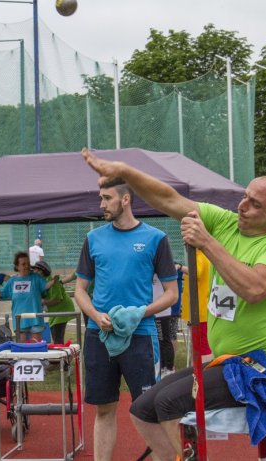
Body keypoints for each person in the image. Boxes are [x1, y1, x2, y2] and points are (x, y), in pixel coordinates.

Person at [81, 148, 266, 460]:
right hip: (224, 361)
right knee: (141, 409)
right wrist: (124, 171)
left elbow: (255, 288)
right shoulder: (226, 222)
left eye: (255, 204)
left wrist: (207, 243)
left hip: (262, 365)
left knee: (168, 403)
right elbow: (169, 199)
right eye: (245, 196)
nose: (242, 206)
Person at [73, 171, 179, 461]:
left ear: (126, 199)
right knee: (104, 408)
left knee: (150, 409)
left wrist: (137, 313)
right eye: (101, 198)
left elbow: (172, 294)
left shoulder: (156, 238)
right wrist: (95, 314)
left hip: (141, 336)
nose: (102, 204)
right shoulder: (93, 238)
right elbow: (79, 291)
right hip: (99, 335)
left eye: (107, 198)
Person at [0, 252, 57, 342]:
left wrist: (53, 282)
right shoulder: (12, 281)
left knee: (36, 347)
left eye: (28, 263)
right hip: (19, 318)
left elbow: (45, 286)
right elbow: (1, 292)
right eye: (23, 264)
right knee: (21, 346)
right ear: (17, 266)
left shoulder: (36, 278)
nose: (26, 266)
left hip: (35, 318)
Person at [36, 261, 76, 344]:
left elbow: (57, 299)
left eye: (36, 270)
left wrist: (43, 302)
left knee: (57, 338)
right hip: (54, 313)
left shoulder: (52, 281)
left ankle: (62, 355)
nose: (34, 272)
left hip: (62, 311)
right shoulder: (41, 283)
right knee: (55, 337)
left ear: (42, 272)